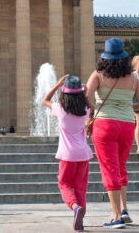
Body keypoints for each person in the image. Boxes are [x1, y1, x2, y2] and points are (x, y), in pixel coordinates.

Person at [87, 38, 139, 229]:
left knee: (109, 169)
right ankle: (124, 209)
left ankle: (116, 217)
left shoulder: (98, 75)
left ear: (104, 57)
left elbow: (86, 99)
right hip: (127, 125)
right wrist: (127, 107)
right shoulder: (133, 78)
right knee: (121, 166)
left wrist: (94, 109)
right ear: (124, 57)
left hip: (104, 125)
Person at [42, 75, 93, 232]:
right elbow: (92, 106)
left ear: (65, 92)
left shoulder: (60, 109)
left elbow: (45, 100)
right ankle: (80, 223)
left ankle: (75, 207)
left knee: (64, 185)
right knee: (80, 187)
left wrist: (58, 84)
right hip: (83, 154)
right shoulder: (85, 110)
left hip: (67, 155)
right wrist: (84, 92)